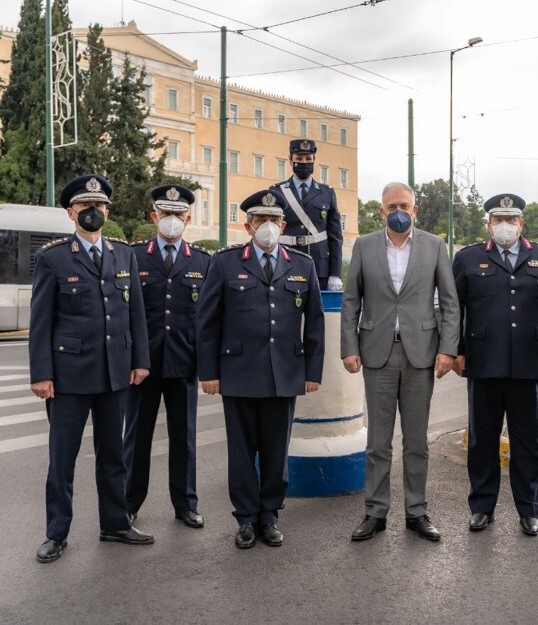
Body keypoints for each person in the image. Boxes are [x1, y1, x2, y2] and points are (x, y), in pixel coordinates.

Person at [29, 174, 153, 564]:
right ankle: (56, 533)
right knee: (62, 459)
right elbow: (41, 322)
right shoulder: (53, 257)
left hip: (115, 373)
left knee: (113, 455)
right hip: (68, 377)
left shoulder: (123, 255)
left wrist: (140, 361)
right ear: (71, 213)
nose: (94, 213)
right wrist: (41, 374)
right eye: (86, 208)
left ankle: (115, 523)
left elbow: (135, 314)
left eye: (100, 207)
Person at [197, 189, 325, 549]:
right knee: (241, 452)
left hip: (284, 373)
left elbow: (314, 323)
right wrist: (208, 373)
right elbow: (207, 323)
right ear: (248, 225)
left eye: (273, 221)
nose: (267, 226)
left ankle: (269, 515)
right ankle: (245, 518)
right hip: (238, 373)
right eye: (260, 221)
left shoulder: (302, 264)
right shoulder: (224, 263)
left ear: (283, 225)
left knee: (275, 451)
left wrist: (312, 372)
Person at [341, 181, 460, 542]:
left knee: (416, 441)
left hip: (421, 353)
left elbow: (450, 302)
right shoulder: (363, 246)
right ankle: (375, 513)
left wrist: (447, 348)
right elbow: (351, 302)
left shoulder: (434, 246)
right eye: (391, 206)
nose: (398, 212)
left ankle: (417, 511)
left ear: (415, 210)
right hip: (377, 352)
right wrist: (349, 347)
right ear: (381, 211)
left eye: (404, 206)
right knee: (378, 442)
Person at [451, 193, 538, 536]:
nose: (505, 226)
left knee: (528, 442)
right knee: (482, 441)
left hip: (528, 365)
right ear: (489, 224)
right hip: (483, 363)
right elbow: (454, 309)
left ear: (521, 224)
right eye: (498, 220)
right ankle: (482, 507)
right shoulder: (468, 258)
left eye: (512, 220)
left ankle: (529, 509)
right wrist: (455, 349)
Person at [124, 184, 210, 530]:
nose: (172, 220)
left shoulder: (203, 261)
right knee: (136, 437)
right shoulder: (133, 256)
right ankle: (128, 504)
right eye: (166, 214)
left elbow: (206, 319)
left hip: (184, 363)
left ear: (188, 218)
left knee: (184, 437)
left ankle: (186, 504)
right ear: (153, 217)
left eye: (178, 215)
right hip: (143, 366)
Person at [273, 138, 343, 291]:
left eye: (308, 159)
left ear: (314, 160)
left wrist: (335, 273)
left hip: (320, 267)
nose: (304, 163)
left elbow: (335, 236)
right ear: (290, 161)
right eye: (298, 159)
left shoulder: (327, 193)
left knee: (317, 314)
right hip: (286, 263)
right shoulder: (276, 192)